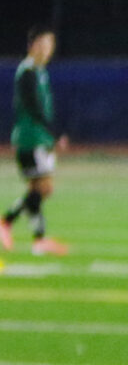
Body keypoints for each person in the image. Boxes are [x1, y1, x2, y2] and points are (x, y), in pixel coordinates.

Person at [5, 27, 69, 257]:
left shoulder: (40, 71)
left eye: (50, 45)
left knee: (36, 190)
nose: (47, 49)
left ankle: (38, 239)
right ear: (32, 45)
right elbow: (32, 107)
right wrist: (54, 134)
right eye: (43, 44)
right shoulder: (28, 71)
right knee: (44, 188)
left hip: (38, 137)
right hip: (31, 139)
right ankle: (7, 222)